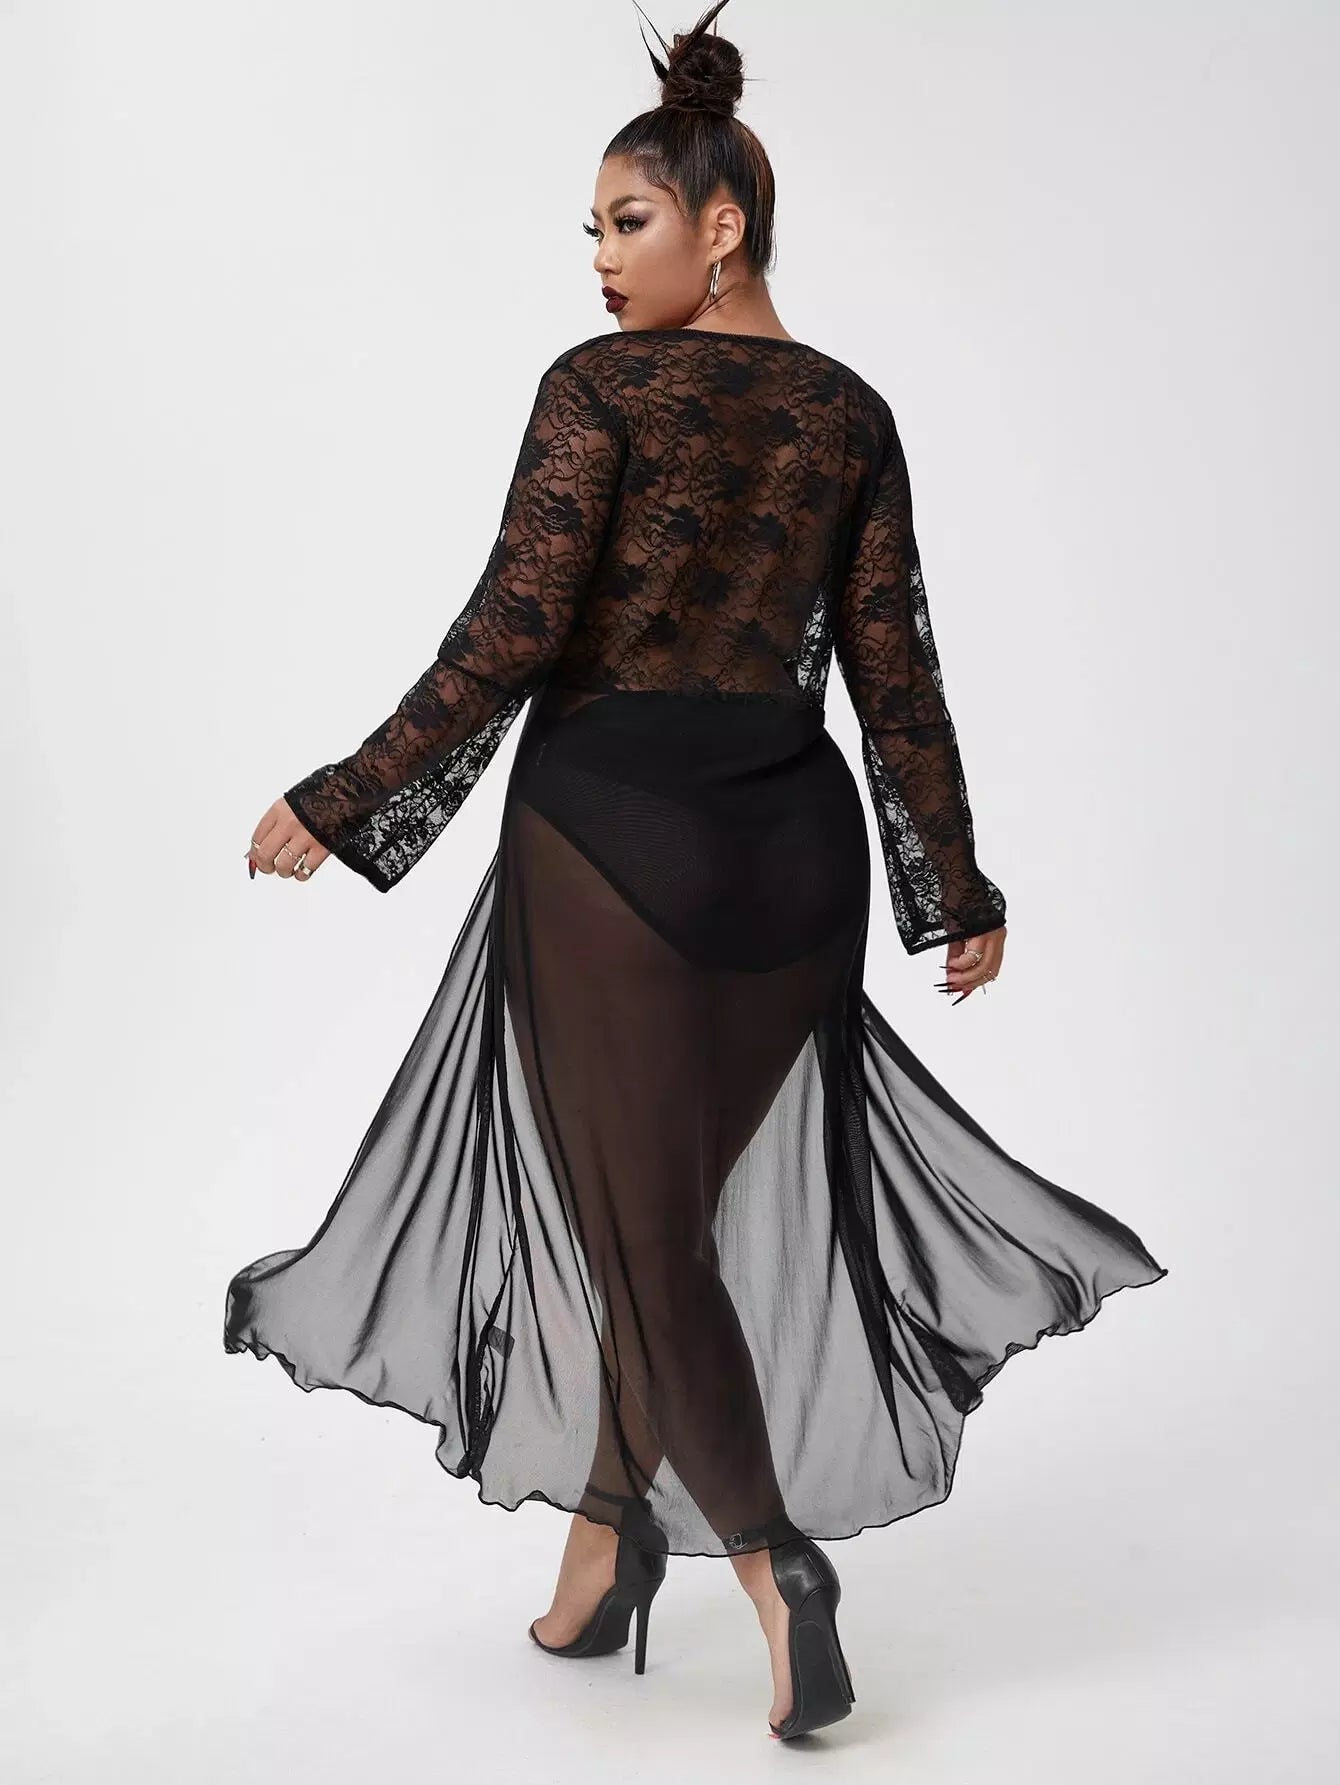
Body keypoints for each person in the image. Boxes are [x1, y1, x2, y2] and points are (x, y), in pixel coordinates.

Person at [224, 0, 1167, 1741]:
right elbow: (896, 673)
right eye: (591, 228)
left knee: (647, 1237)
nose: (599, 257)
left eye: (629, 219)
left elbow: (514, 632)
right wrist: (952, 887)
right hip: (795, 862)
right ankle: (605, 1553)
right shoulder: (851, 414)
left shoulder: (596, 390)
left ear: (721, 225)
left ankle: (773, 1563)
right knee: (654, 1221)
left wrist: (350, 796)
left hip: (616, 845)